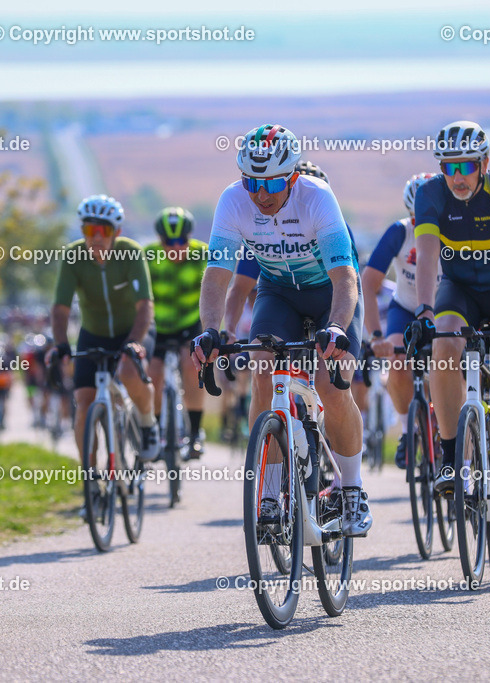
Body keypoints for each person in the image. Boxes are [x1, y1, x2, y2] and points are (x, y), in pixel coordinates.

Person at [192, 124, 372, 537]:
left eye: (272, 182)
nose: (261, 193)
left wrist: (337, 329)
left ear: (292, 176)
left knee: (333, 385)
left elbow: (346, 278)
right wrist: (210, 331)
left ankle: (351, 490)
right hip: (279, 291)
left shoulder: (318, 198)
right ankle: (270, 494)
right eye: (252, 182)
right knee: (263, 370)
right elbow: (219, 277)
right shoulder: (233, 202)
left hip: (330, 292)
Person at [408, 120, 490, 535]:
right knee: (443, 347)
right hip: (460, 289)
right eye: (450, 168)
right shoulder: (429, 195)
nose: (458, 177)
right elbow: (427, 258)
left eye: (466, 167)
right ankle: (450, 457)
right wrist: (425, 311)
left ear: (484, 163)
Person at [50, 195, 160, 462]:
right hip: (93, 335)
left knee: (129, 372)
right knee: (84, 406)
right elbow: (60, 308)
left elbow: (145, 305)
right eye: (90, 230)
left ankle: (147, 424)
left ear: (117, 232)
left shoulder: (131, 253)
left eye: (104, 231)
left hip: (132, 331)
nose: (96, 238)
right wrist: (61, 344)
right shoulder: (73, 256)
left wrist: (134, 342)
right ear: (82, 231)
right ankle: (91, 481)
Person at [362, 172, 436, 468]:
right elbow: (368, 283)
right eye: (418, 219)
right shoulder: (400, 232)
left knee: (449, 364)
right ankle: (408, 431)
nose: (425, 226)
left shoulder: (455, 232)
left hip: (445, 309)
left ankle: (447, 428)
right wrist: (377, 336)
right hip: (405, 308)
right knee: (397, 361)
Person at [145, 207, 209, 458]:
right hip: (157, 326)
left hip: (189, 323)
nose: (175, 247)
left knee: (192, 366)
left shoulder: (203, 253)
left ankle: (195, 433)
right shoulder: (147, 256)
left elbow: (215, 293)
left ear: (189, 237)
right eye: (168, 242)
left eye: (181, 241)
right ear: (159, 240)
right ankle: (158, 433)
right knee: (152, 373)